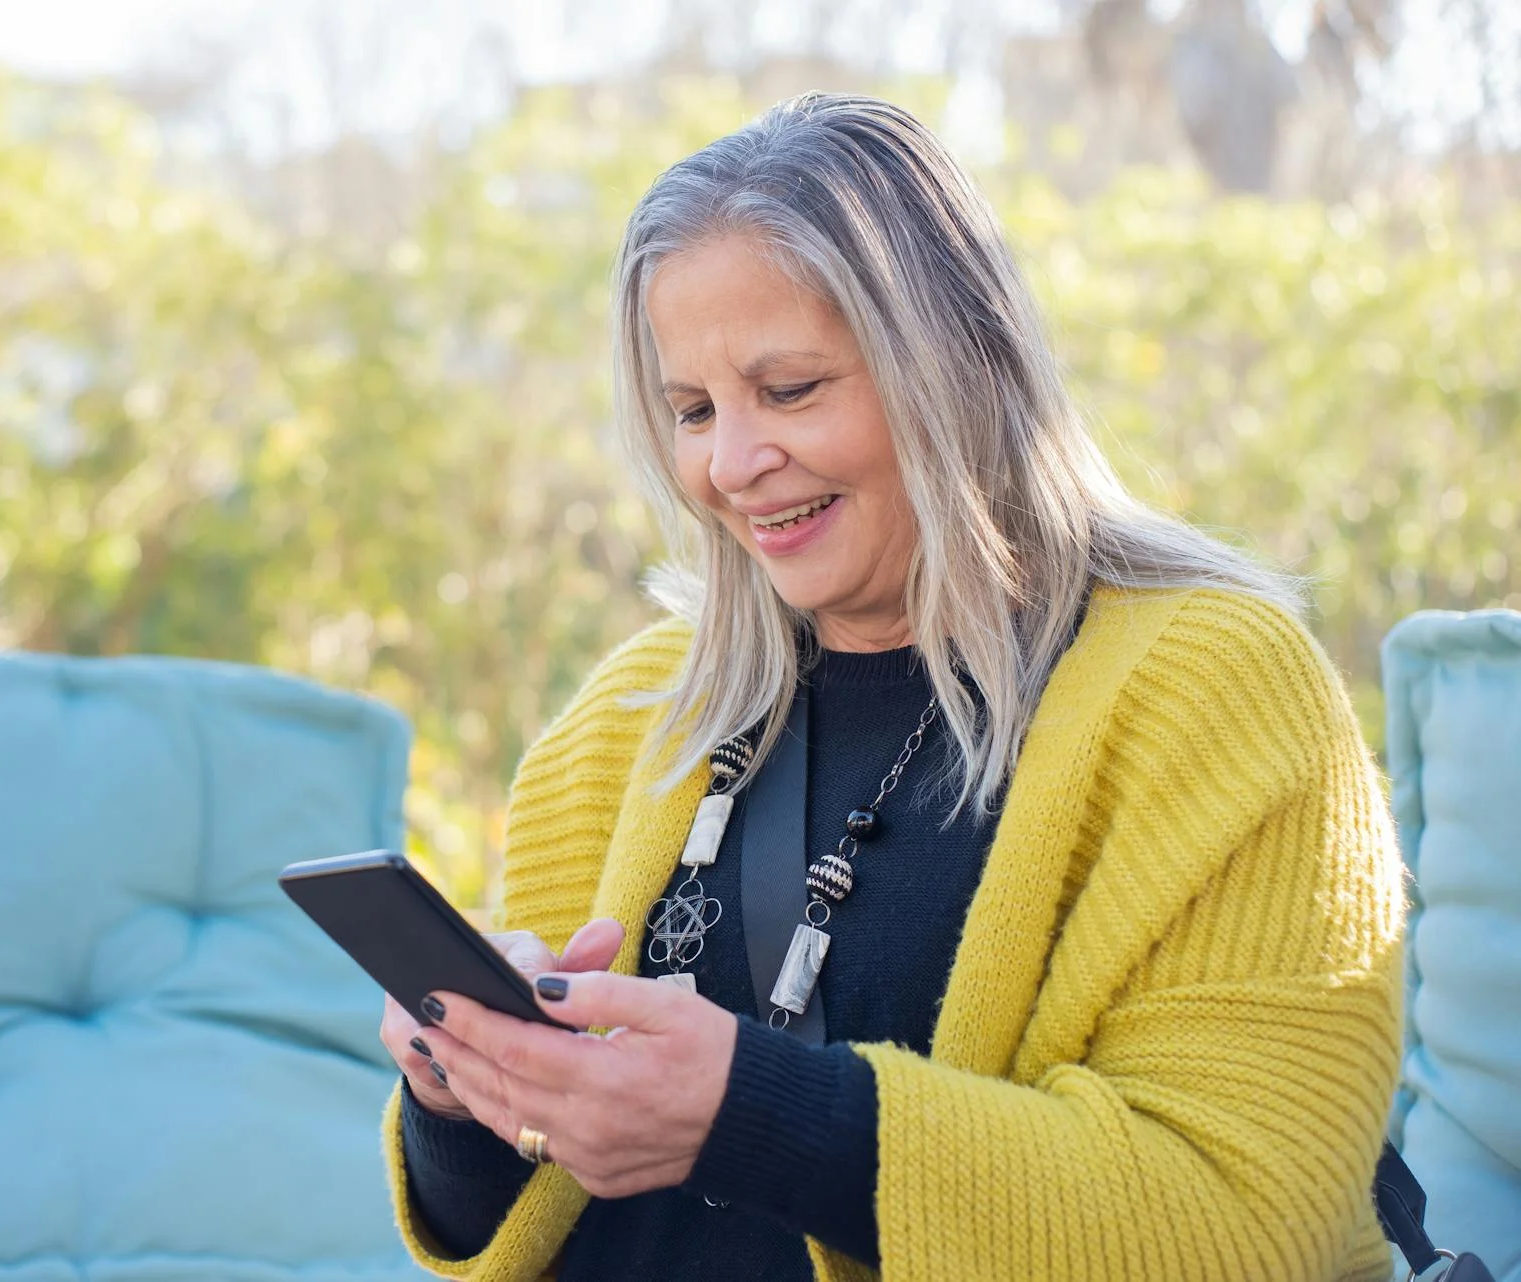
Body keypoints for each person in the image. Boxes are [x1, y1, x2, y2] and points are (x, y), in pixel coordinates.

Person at [376, 92, 1404, 1282]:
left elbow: (1242, 1215)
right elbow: (506, 1224)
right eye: (694, 410)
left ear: (956, 365)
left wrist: (749, 1114)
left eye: (792, 389)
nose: (731, 463)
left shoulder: (1215, 688)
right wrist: (463, 1098)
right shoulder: (632, 716)